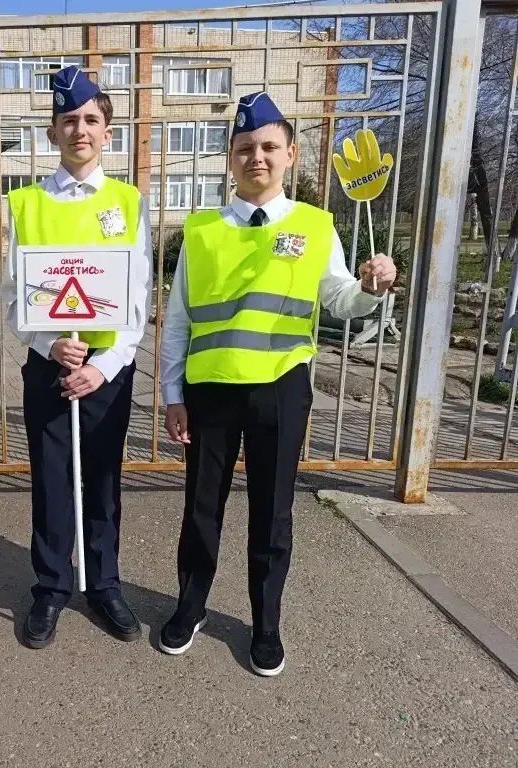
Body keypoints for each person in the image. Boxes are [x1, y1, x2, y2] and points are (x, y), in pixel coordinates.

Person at [157, 92, 397, 676]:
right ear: (230, 158)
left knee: (272, 511)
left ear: (291, 155)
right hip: (212, 389)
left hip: (281, 389)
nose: (256, 157)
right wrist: (171, 394)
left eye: (269, 146)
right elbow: (179, 318)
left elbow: (339, 298)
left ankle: (266, 623)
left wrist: (371, 287)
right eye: (245, 148)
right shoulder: (203, 230)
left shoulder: (316, 226)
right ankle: (191, 606)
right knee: (201, 506)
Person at [1, 66, 152, 649]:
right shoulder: (29, 205)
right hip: (50, 367)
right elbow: (14, 298)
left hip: (107, 370)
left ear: (107, 132)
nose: (80, 130)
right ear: (52, 133)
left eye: (90, 120)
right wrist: (50, 345)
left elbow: (137, 300)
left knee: (104, 479)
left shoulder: (128, 203)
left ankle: (104, 583)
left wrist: (101, 367)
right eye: (69, 121)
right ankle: (51, 586)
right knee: (52, 479)